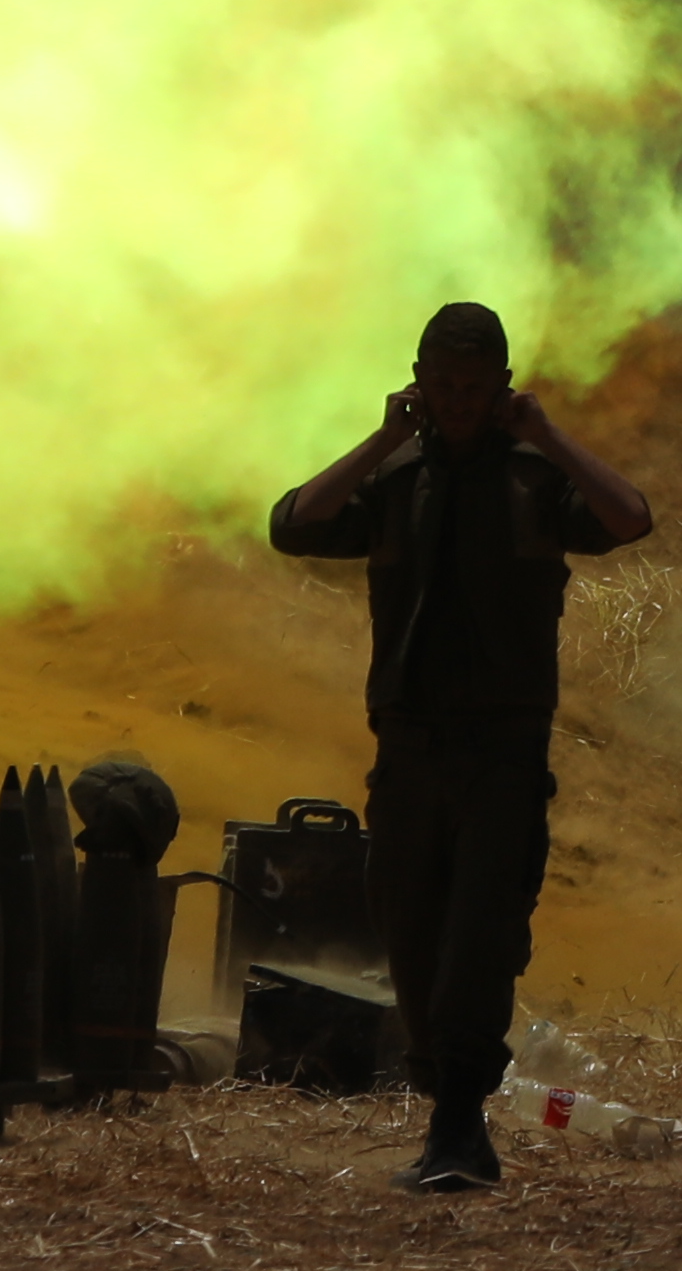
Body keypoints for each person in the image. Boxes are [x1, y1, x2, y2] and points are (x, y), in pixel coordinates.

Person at [267, 302, 651, 1192]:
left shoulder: (532, 478)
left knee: (480, 938)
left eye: (475, 389)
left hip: (502, 754)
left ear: (503, 387)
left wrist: (549, 438)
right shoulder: (397, 479)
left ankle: (458, 1125)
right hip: (408, 750)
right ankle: (445, 1109)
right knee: (408, 933)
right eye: (442, 386)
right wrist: (379, 439)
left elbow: (629, 517)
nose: (458, 403)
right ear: (418, 382)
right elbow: (293, 524)